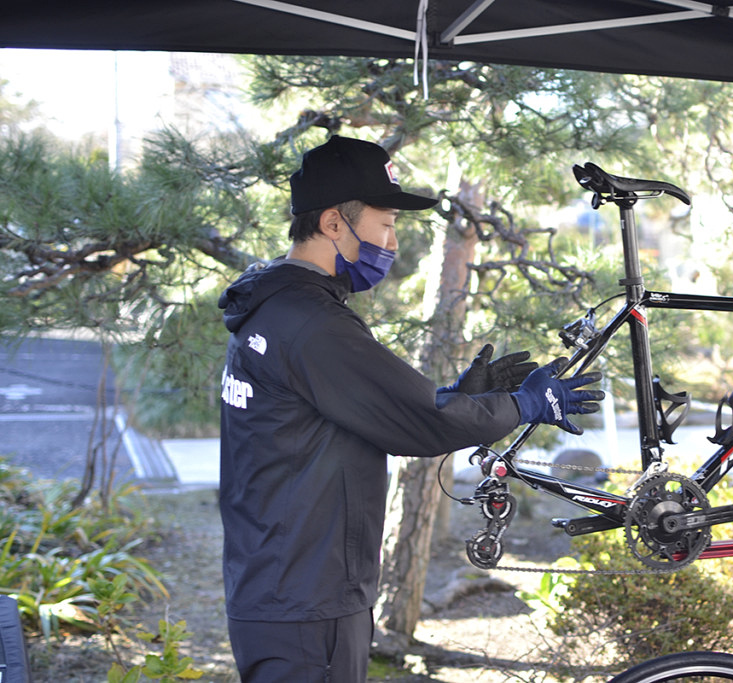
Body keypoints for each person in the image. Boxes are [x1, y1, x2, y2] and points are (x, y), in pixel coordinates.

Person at [217, 135, 604, 682]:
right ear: (333, 223)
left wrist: (463, 395)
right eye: (386, 224)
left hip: (280, 581)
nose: (393, 242)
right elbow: (422, 424)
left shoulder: (275, 309)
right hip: (309, 595)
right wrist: (526, 402)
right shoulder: (312, 324)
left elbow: (369, 409)